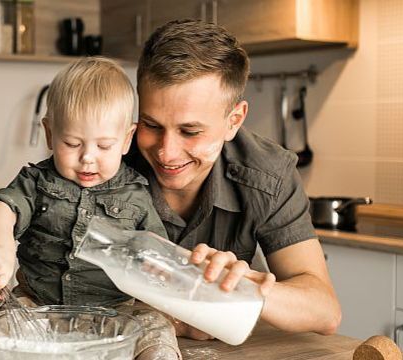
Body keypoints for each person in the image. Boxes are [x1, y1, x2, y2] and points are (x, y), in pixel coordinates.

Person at [0, 57, 182, 360]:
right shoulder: (36, 181)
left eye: (104, 146)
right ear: (49, 133)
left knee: (155, 324)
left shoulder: (136, 194)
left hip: (114, 314)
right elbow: (2, 207)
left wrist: (156, 267)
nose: (87, 158)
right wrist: (2, 247)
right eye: (72, 143)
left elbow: (158, 250)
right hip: (38, 307)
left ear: (126, 140)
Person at [124, 19, 342, 339]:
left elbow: (325, 311)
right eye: (151, 125)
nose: (166, 152)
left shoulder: (269, 174)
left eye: (190, 131)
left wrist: (239, 289)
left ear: (234, 121)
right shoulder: (101, 161)